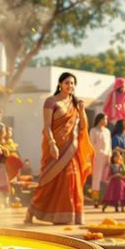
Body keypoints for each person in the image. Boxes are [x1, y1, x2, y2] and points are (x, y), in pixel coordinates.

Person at [26, 72, 92, 225]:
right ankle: (31, 211)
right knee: (48, 182)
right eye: (67, 82)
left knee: (72, 179)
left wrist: (82, 110)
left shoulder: (75, 104)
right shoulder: (51, 102)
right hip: (55, 148)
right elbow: (47, 126)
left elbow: (82, 127)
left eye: (73, 83)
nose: (70, 86)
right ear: (60, 84)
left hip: (71, 150)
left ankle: (69, 216)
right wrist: (52, 144)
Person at [88, 113, 111, 208]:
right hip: (97, 158)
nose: (106, 121)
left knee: (105, 178)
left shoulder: (107, 131)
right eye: (105, 119)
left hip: (106, 157)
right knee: (97, 178)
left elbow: (109, 145)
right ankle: (95, 200)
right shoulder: (93, 131)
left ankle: (105, 198)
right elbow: (91, 145)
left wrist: (109, 156)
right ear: (100, 120)